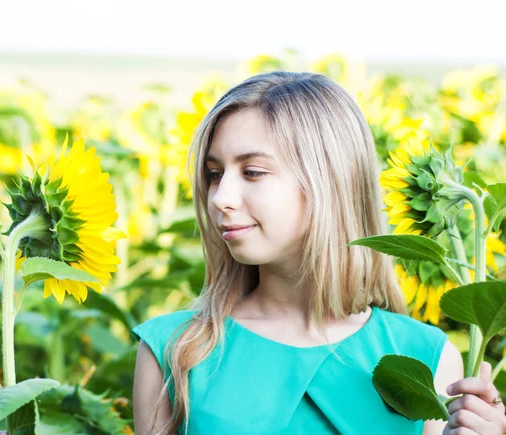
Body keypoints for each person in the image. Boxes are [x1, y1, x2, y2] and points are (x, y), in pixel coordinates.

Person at [131, 71, 506, 435]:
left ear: (329, 181)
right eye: (214, 173)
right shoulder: (176, 351)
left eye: (253, 172)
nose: (221, 198)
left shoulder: (426, 357)